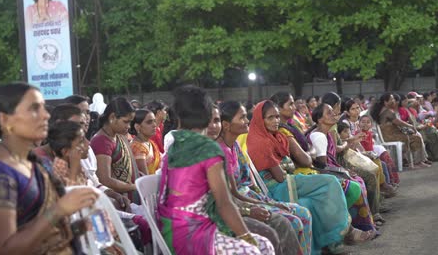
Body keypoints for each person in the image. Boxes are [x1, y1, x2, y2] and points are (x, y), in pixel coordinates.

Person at [0, 83, 98, 254]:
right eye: (34, 109)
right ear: (5, 119)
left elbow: (41, 229)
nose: (46, 115)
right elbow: (5, 249)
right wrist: (59, 210)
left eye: (43, 108)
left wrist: (73, 229)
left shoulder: (35, 162)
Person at [157, 85, 274, 254]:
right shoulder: (208, 150)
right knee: (257, 249)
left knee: (264, 245)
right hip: (194, 234)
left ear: (179, 117)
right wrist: (246, 237)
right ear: (206, 116)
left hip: (170, 230)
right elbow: (224, 204)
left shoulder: (176, 146)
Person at [245, 100, 363, 254]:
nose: (276, 121)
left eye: (276, 117)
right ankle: (344, 230)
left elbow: (287, 165)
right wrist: (289, 166)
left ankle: (326, 244)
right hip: (277, 188)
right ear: (260, 120)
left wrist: (288, 166)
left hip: (287, 180)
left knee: (311, 202)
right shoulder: (260, 141)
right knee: (330, 182)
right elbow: (280, 176)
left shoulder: (276, 136)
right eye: (270, 118)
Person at [217, 101, 311, 255]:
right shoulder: (220, 152)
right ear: (226, 125)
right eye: (242, 118)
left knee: (303, 213)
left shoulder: (234, 146)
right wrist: (265, 203)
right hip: (241, 201)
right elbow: (232, 194)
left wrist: (268, 201)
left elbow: (248, 182)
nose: (247, 121)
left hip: (251, 195)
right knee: (291, 220)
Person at [308, 103, 378, 236]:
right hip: (323, 174)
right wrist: (343, 172)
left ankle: (359, 225)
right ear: (320, 119)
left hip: (331, 170)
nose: (334, 114)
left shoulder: (326, 133)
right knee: (355, 183)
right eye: (329, 112)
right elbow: (322, 166)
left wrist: (342, 170)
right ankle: (350, 226)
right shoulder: (319, 136)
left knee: (358, 180)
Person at [90, 97, 140, 203]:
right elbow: (105, 180)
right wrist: (134, 187)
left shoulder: (118, 136)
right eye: (126, 122)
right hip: (119, 202)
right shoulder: (101, 142)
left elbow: (128, 168)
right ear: (112, 117)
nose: (128, 126)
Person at [370, 93, 430, 168]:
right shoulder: (388, 112)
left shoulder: (382, 110)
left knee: (413, 136)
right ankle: (417, 162)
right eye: (391, 99)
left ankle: (413, 161)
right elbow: (398, 122)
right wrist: (410, 126)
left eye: (393, 99)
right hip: (391, 136)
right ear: (385, 102)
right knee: (416, 138)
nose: (393, 101)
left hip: (390, 135)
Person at [34, 121, 88, 186]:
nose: (88, 143)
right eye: (81, 141)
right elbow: (69, 194)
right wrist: (74, 171)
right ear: (65, 151)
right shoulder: (57, 169)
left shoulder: (73, 163)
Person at [130, 109, 161, 175]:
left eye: (154, 121)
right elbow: (145, 177)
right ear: (137, 127)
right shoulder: (136, 147)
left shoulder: (150, 143)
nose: (154, 125)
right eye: (149, 122)